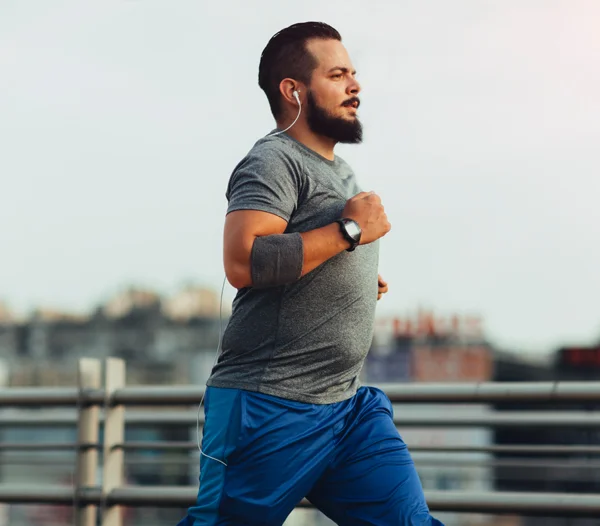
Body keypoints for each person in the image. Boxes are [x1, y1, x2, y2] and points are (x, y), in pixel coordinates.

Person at [177, 21, 444, 526]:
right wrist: (348, 232)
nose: (355, 86)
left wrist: (358, 276)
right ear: (293, 90)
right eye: (338, 74)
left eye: (354, 74)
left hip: (346, 410)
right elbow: (243, 260)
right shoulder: (273, 160)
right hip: (269, 406)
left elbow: (307, 249)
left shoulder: (339, 169)